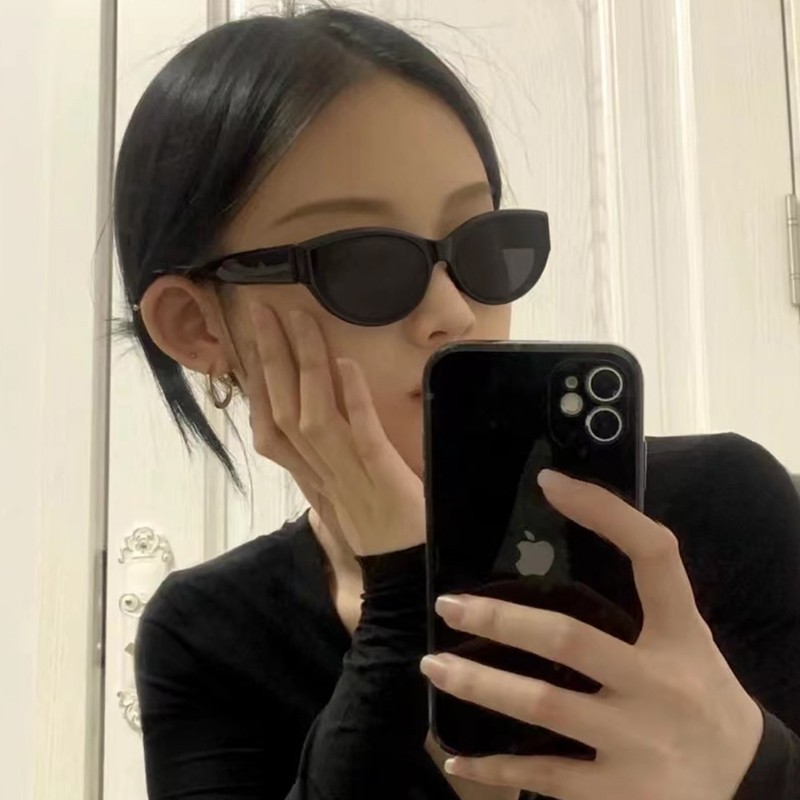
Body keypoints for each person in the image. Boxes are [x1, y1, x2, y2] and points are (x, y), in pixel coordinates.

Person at [115, 6, 800, 799]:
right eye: (365, 262)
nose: (454, 312)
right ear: (197, 325)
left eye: (479, 245)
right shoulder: (206, 635)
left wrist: (756, 769)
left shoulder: (718, 508)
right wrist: (403, 595)